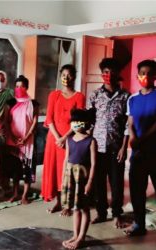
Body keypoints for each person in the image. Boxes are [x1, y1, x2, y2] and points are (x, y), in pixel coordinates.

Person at [89, 58, 130, 228]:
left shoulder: (126, 97)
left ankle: (117, 214)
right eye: (105, 71)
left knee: (116, 183)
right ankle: (101, 212)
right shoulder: (95, 96)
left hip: (116, 147)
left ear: (118, 74)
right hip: (97, 147)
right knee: (99, 182)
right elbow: (90, 122)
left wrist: (124, 147)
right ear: (101, 74)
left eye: (112, 71)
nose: (109, 75)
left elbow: (128, 124)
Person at [41, 64, 85, 216]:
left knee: (67, 171)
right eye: (63, 75)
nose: (66, 78)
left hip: (70, 139)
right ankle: (58, 202)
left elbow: (78, 121)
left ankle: (69, 204)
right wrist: (57, 137)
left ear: (74, 77)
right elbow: (49, 118)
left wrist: (65, 137)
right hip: (53, 139)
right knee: (54, 170)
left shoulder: (79, 96)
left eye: (69, 75)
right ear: (60, 77)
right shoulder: (54, 95)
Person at [124, 59, 156, 236]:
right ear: (138, 75)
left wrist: (142, 138)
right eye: (142, 73)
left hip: (154, 151)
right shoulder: (132, 99)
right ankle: (139, 225)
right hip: (138, 153)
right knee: (137, 190)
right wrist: (134, 137)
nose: (145, 76)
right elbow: (130, 122)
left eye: (149, 73)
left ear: (155, 76)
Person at [61, 109, 97, 250]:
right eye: (73, 122)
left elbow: (94, 164)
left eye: (79, 122)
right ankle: (75, 235)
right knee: (76, 208)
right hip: (70, 177)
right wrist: (63, 177)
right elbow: (66, 159)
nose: (76, 124)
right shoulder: (69, 139)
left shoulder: (91, 141)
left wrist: (89, 182)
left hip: (83, 178)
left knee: (84, 209)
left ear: (86, 124)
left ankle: (81, 238)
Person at [6, 75, 38, 204]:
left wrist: (26, 137)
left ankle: (24, 195)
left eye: (22, 86)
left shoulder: (33, 103)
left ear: (27, 87)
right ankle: (15, 193)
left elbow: (35, 121)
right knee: (15, 170)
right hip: (13, 141)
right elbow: (7, 122)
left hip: (28, 141)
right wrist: (13, 137)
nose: (19, 88)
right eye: (17, 86)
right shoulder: (11, 102)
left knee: (27, 170)